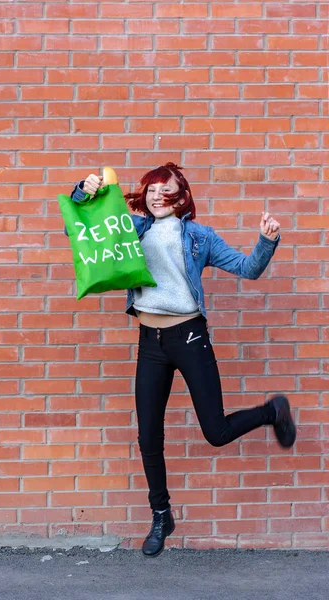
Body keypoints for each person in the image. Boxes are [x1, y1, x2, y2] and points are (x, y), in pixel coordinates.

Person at [69, 163, 296, 557]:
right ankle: (161, 514)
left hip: (189, 337)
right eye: (152, 191)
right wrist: (84, 191)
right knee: (148, 437)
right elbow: (84, 229)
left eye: (166, 191)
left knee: (216, 431)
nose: (157, 197)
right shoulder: (132, 228)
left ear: (183, 196)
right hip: (150, 343)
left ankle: (272, 411)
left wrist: (266, 240)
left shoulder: (199, 237)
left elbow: (248, 269)